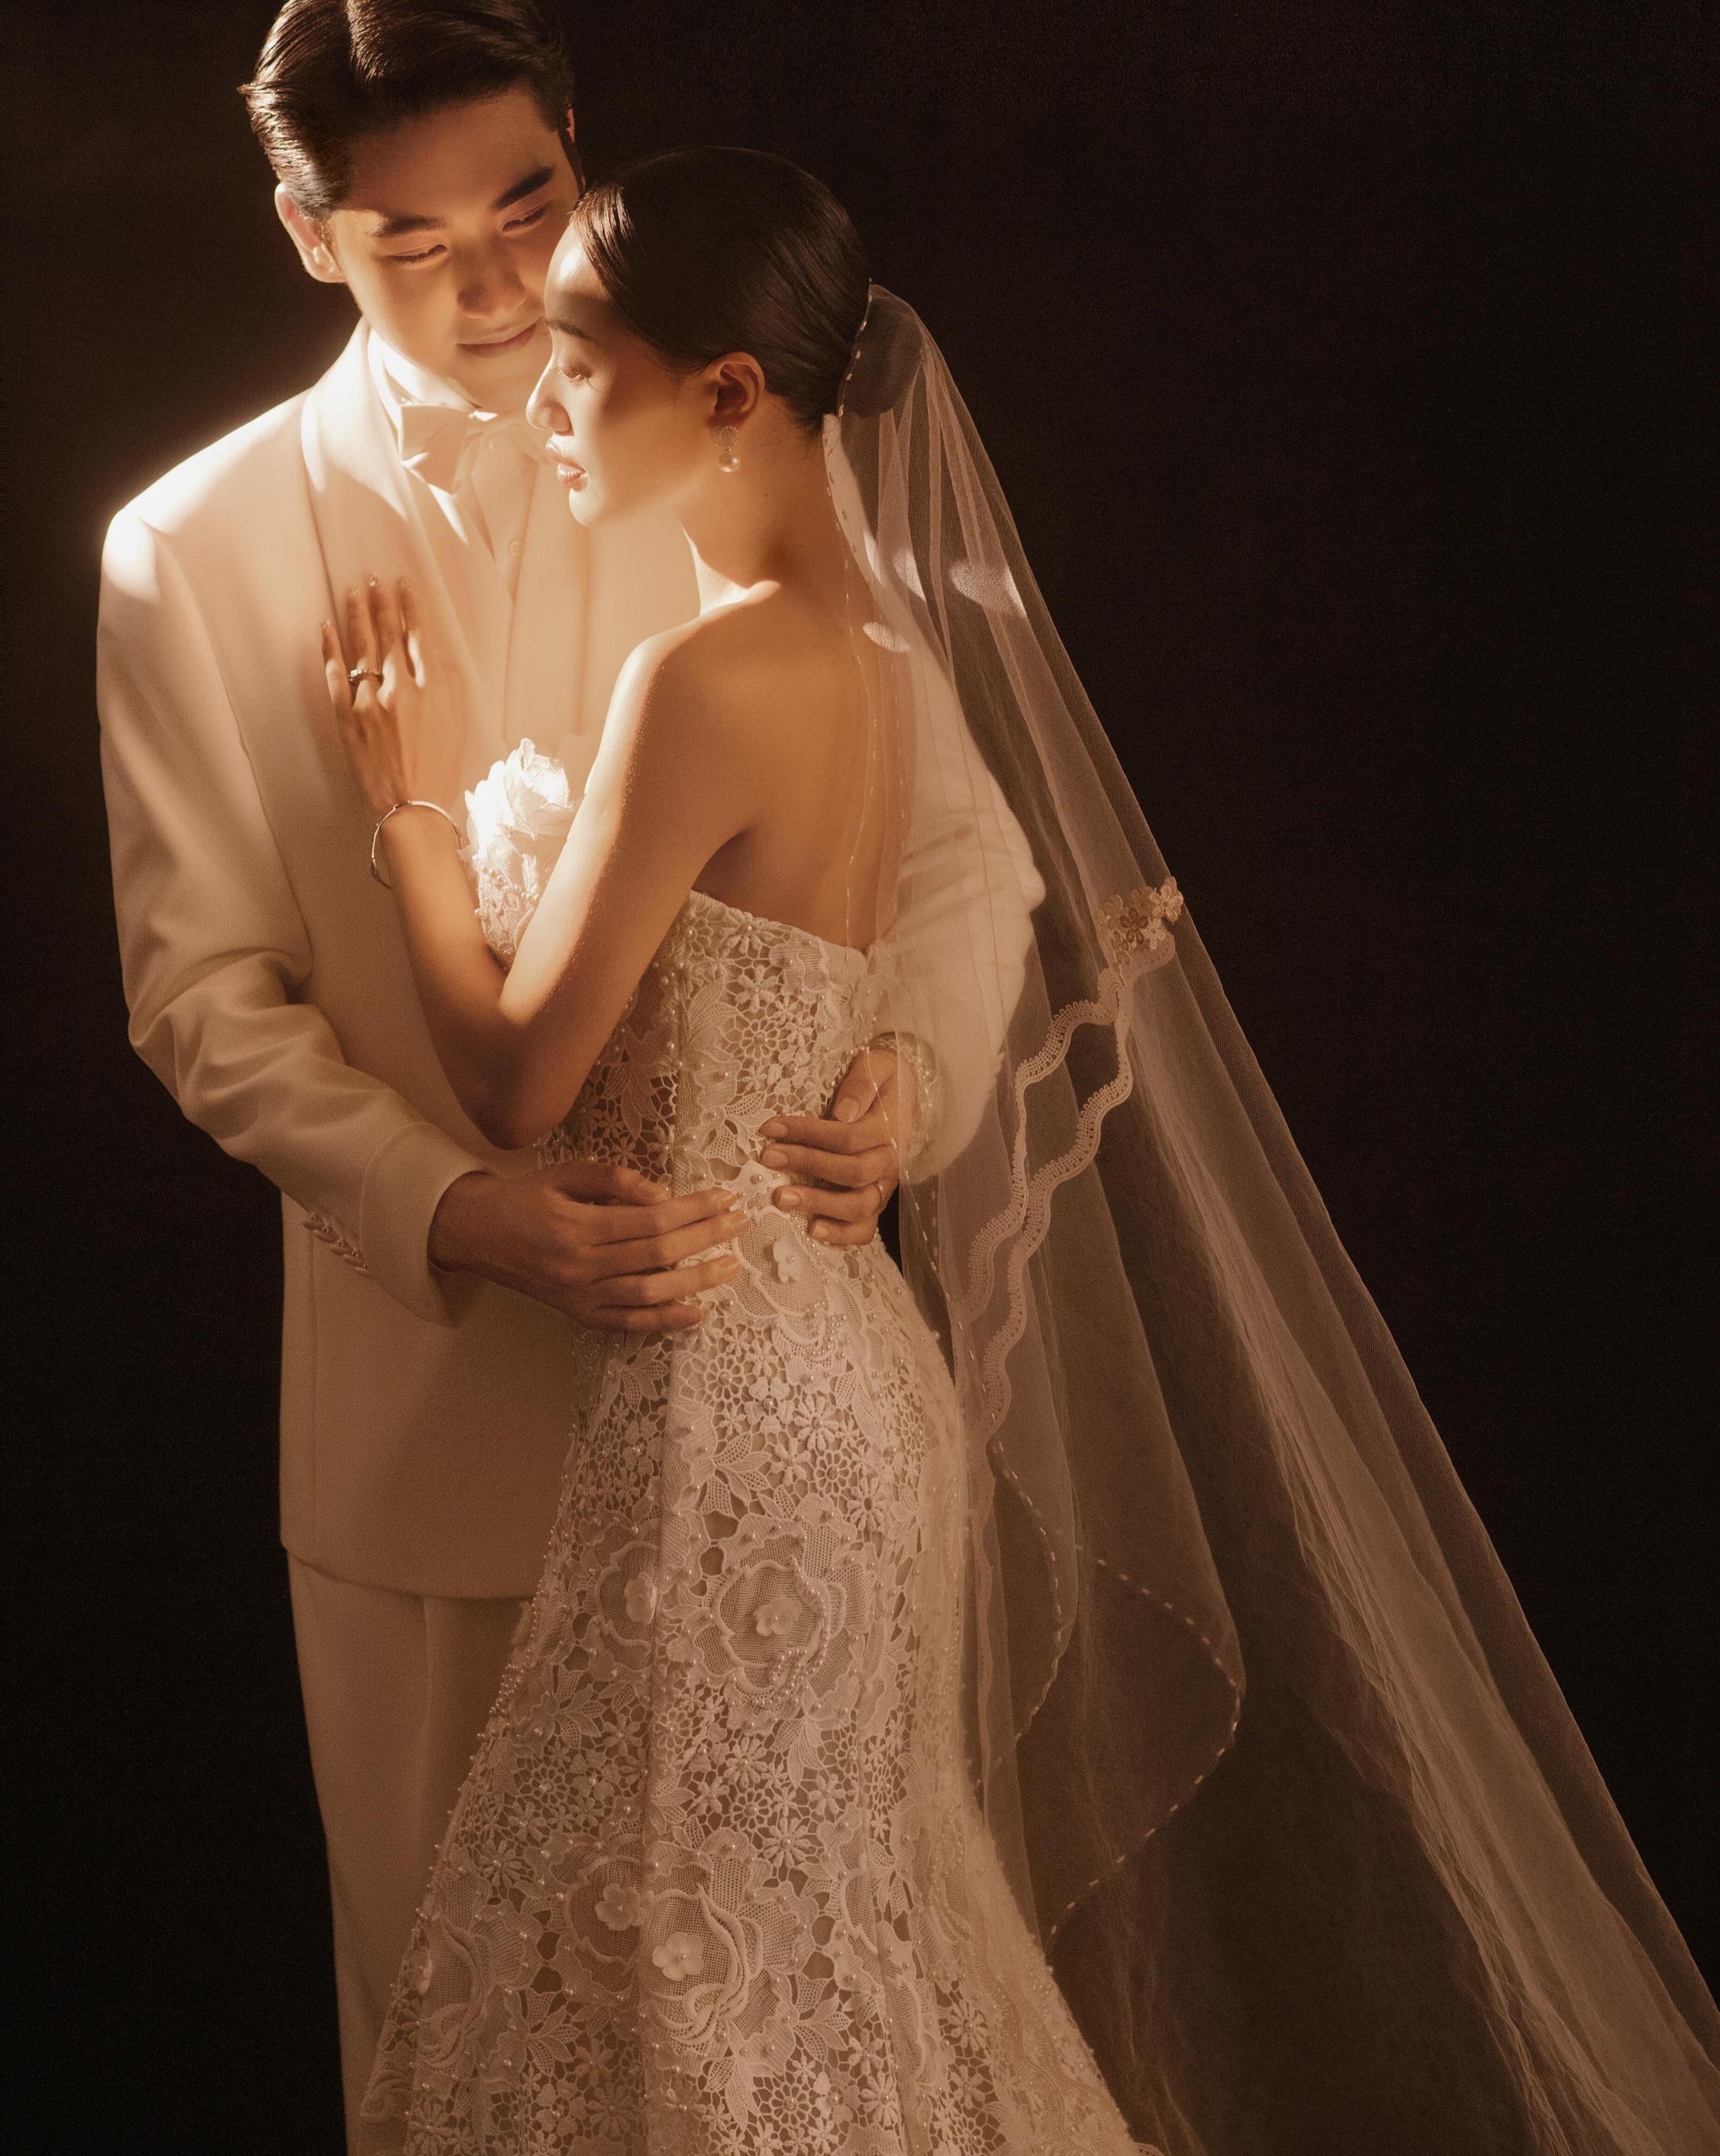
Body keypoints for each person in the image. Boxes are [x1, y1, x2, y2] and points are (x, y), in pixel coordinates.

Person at [324, 150, 1718, 2155]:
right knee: (826, 1958)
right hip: (845, 1384)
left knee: (704, 1974)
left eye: (579, 363)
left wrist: (406, 813)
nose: (541, 402)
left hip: (721, 1408)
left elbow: (517, 1082)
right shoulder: (894, 675)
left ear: (729, 394)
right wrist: (897, 1068)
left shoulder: (700, 678)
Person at [96, 0, 1004, 2146]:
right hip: (420, 1453)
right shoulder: (189, 551)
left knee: (786, 2042)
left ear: (576, 154)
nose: (499, 285)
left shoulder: (709, 418)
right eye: (416, 241)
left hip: (754, 1442)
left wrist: (904, 1082)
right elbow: (202, 995)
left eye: (526, 204)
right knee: (456, 2063)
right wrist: (463, 1210)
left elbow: (969, 862)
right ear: (308, 234)